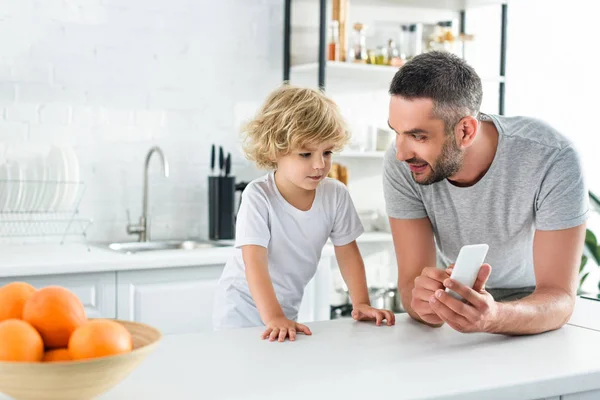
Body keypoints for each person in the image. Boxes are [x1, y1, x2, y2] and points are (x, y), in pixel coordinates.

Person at [383, 51, 588, 335]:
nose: (401, 152)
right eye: (397, 131)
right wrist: (425, 305)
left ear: (466, 131)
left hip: (535, 308)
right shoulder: (403, 162)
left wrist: (494, 317)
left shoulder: (552, 157)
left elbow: (560, 298)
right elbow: (410, 286)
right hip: (456, 304)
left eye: (418, 136)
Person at [213, 85, 395, 341]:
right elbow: (254, 263)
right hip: (240, 311)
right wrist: (273, 316)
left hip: (283, 310)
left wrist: (361, 303)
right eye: (305, 154)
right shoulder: (258, 196)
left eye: (327, 152)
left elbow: (347, 252)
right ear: (275, 150)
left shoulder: (335, 195)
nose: (320, 164)